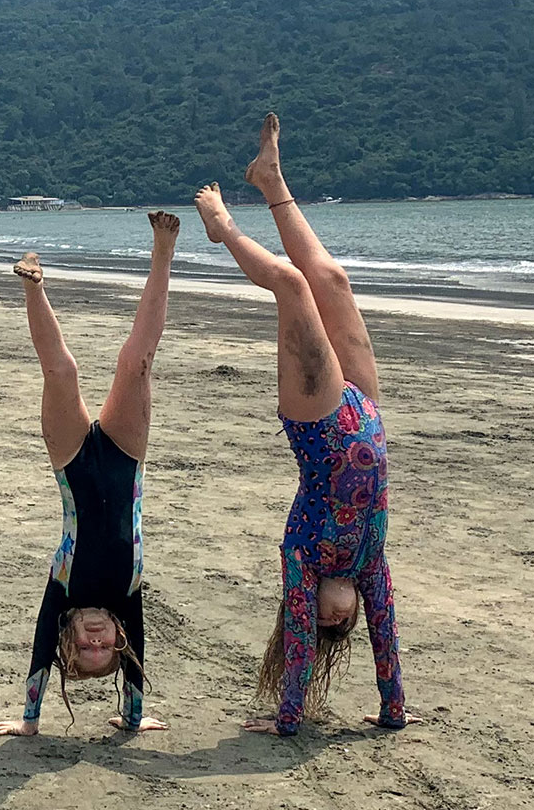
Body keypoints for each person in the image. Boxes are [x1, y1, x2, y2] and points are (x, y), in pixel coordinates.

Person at [192, 113, 414, 738]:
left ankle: (223, 227)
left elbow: (295, 653)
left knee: (292, 286)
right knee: (330, 278)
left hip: (318, 428)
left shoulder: (303, 562)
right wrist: (393, 711)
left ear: (309, 614)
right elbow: (390, 645)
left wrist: (287, 719)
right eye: (351, 621)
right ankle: (270, 180)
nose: (346, 616)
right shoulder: (372, 565)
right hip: (366, 409)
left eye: (330, 621)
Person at [0, 211, 180, 737]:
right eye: (106, 648)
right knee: (137, 361)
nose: (96, 640)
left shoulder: (63, 591)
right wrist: (134, 717)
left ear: (67, 638)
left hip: (71, 461)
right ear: (119, 638)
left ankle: (33, 283)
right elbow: (140, 665)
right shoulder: (128, 594)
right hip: (125, 453)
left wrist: (30, 722)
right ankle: (163, 252)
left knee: (62, 371)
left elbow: (36, 653)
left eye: (85, 648)